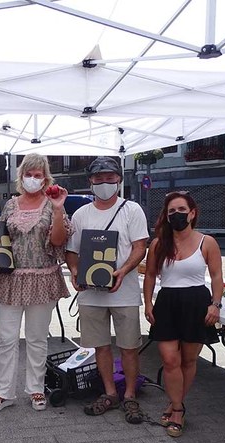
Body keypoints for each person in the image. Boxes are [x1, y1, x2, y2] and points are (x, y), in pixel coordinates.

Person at [0, 153, 71, 414]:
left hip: (42, 279)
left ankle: (35, 388)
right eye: (28, 174)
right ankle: (4, 392)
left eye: (38, 174)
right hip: (10, 279)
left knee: (36, 338)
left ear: (45, 177)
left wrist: (57, 209)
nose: (33, 178)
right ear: (21, 176)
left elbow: (58, 241)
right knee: (7, 338)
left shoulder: (53, 204)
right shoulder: (10, 205)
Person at [65, 157, 149, 425]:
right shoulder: (81, 214)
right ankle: (110, 393)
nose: (104, 183)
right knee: (100, 347)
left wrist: (123, 271)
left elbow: (140, 246)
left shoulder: (132, 210)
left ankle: (131, 395)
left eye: (110, 178)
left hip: (123, 291)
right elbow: (71, 251)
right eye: (99, 179)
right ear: (90, 181)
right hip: (91, 293)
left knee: (129, 347)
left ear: (119, 179)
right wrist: (75, 272)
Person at [143, 192, 223, 438]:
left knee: (189, 360)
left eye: (180, 209)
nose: (176, 214)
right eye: (170, 212)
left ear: (192, 212)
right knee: (169, 359)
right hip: (167, 302)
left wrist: (215, 304)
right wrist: (147, 303)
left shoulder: (207, 242)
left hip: (196, 303)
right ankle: (178, 408)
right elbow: (149, 275)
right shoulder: (159, 243)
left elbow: (217, 277)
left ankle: (175, 403)